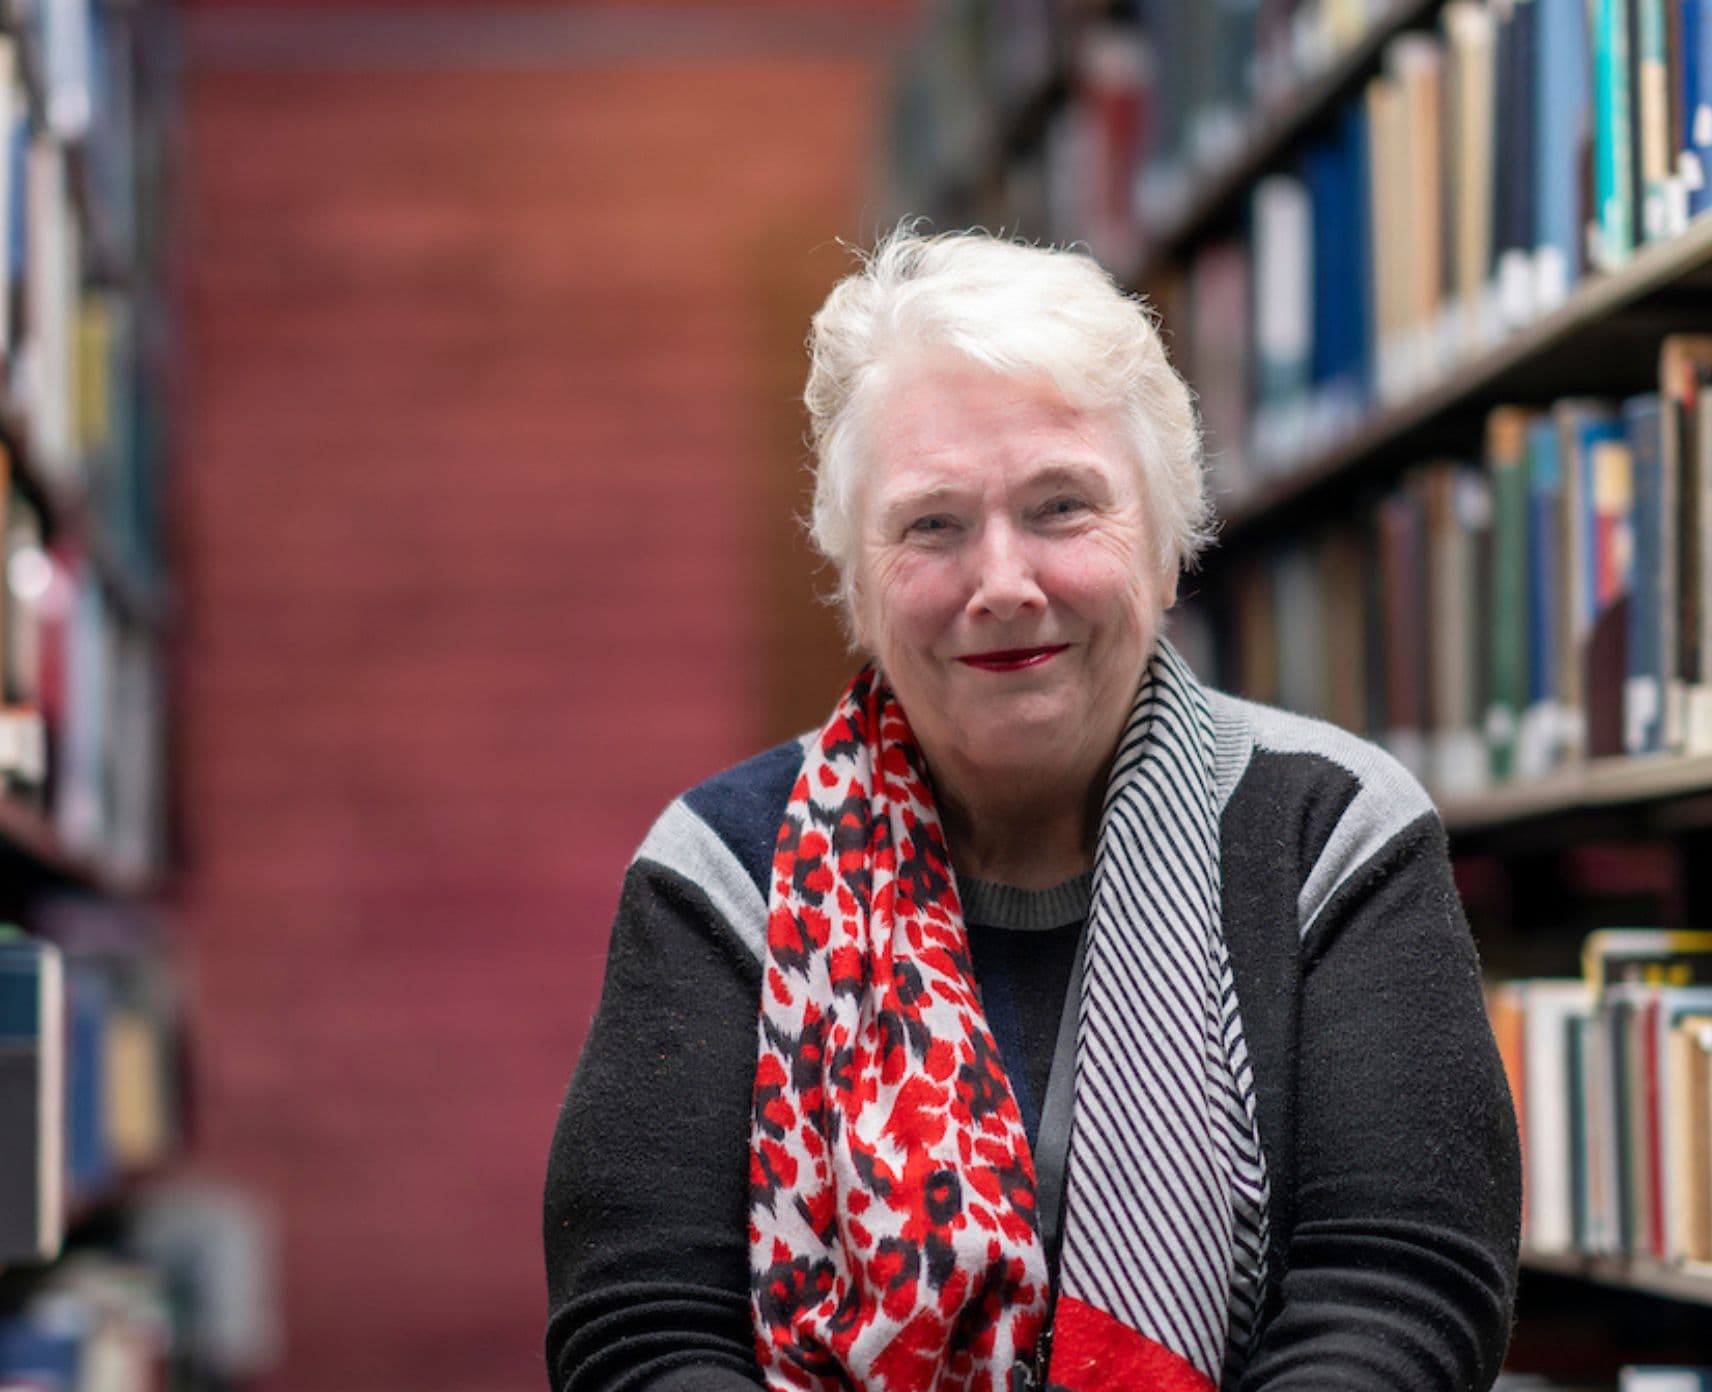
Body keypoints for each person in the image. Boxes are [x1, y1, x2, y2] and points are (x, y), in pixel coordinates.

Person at [543, 229, 1521, 1392]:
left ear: (1165, 547)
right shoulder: (720, 870)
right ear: (855, 581)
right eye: (932, 524)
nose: (1002, 583)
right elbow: (639, 1333)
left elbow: (1397, 1294)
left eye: (1061, 507)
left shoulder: (1331, 831)